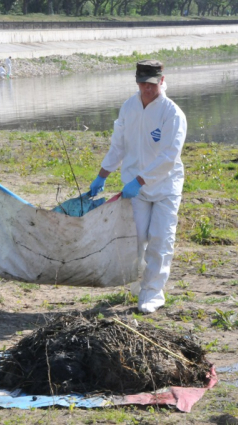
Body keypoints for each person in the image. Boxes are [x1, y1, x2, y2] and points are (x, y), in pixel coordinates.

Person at [89, 60, 186, 314]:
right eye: (142, 84)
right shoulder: (129, 107)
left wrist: (140, 180)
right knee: (136, 238)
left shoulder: (172, 113)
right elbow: (118, 146)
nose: (147, 89)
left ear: (162, 81)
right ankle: (139, 279)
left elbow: (169, 156)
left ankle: (153, 291)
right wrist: (102, 175)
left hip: (165, 186)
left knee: (160, 238)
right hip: (136, 187)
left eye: (152, 85)